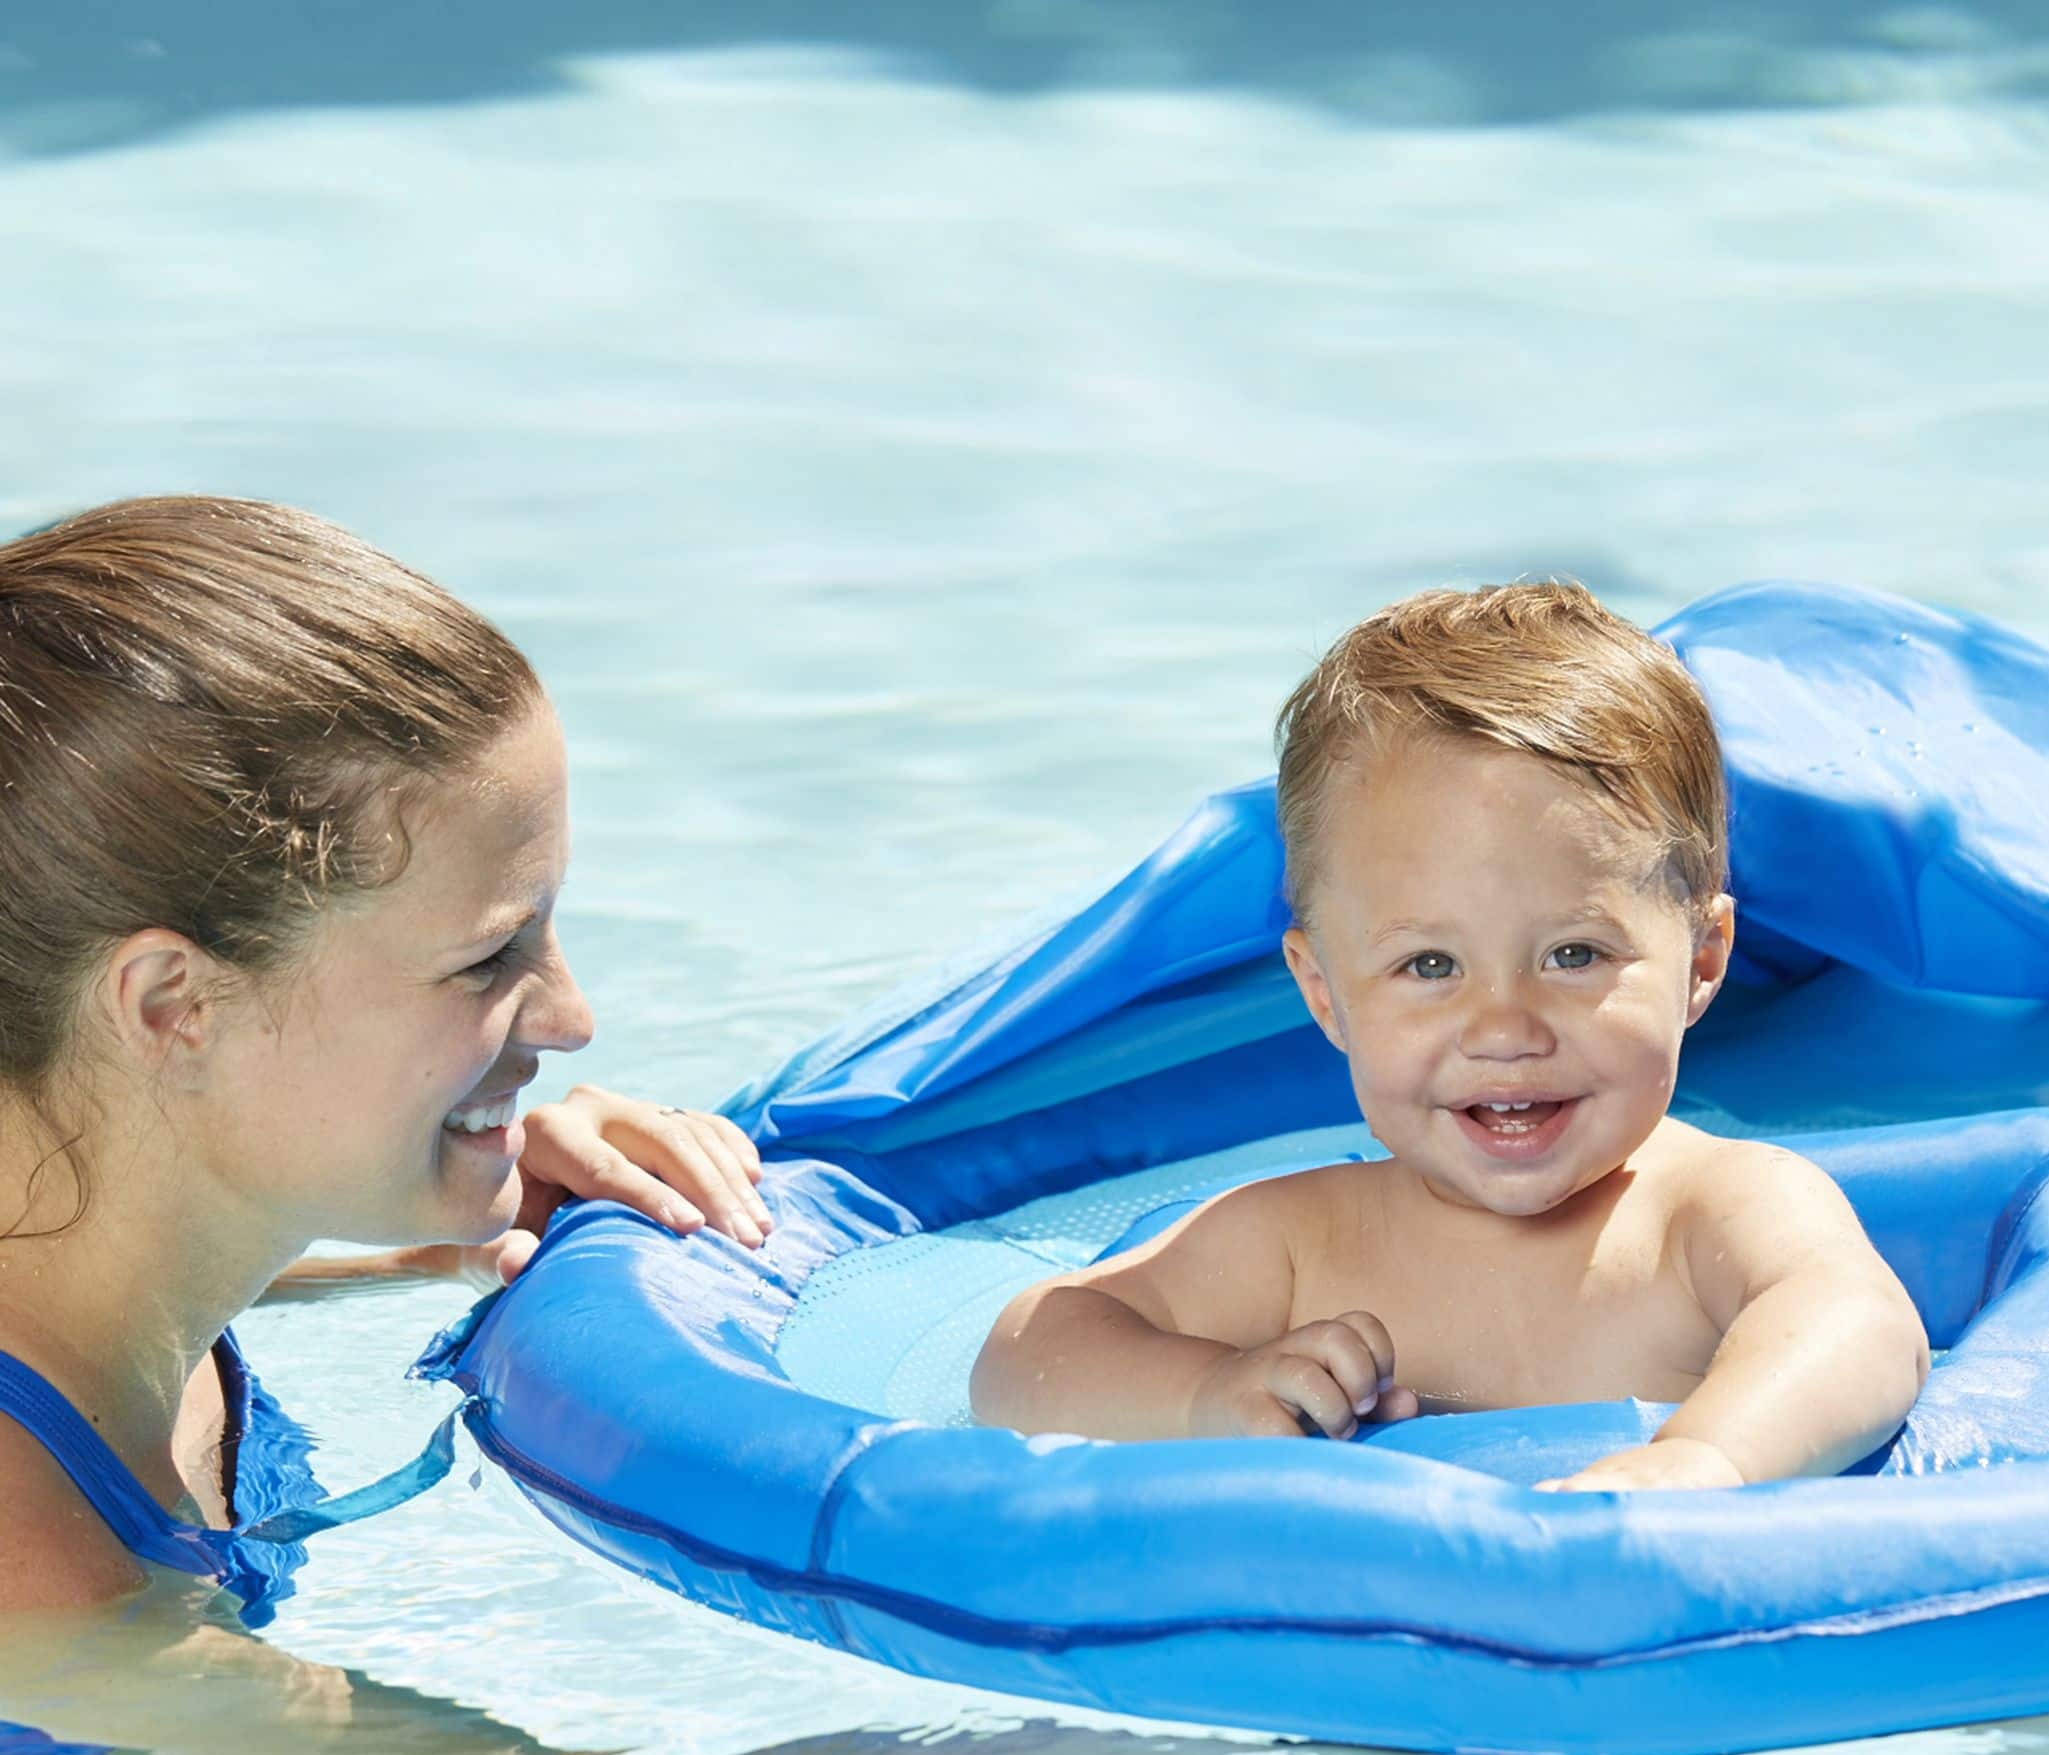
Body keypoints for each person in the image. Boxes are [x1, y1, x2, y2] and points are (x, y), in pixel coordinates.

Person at [971, 580, 1929, 1492]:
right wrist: (1202, 1396)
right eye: (1430, 966)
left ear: (1703, 960)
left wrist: (1699, 1461)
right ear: (1325, 994)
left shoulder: (1711, 1211)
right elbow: (1030, 1354)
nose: (1504, 1029)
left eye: (1573, 954)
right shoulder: (1300, 1243)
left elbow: (1862, 1325)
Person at [0, 495, 773, 1613]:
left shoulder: (112, 1277)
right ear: (174, 1006)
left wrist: (444, 1234)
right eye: (487, 958)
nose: (569, 1018)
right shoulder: (40, 1565)